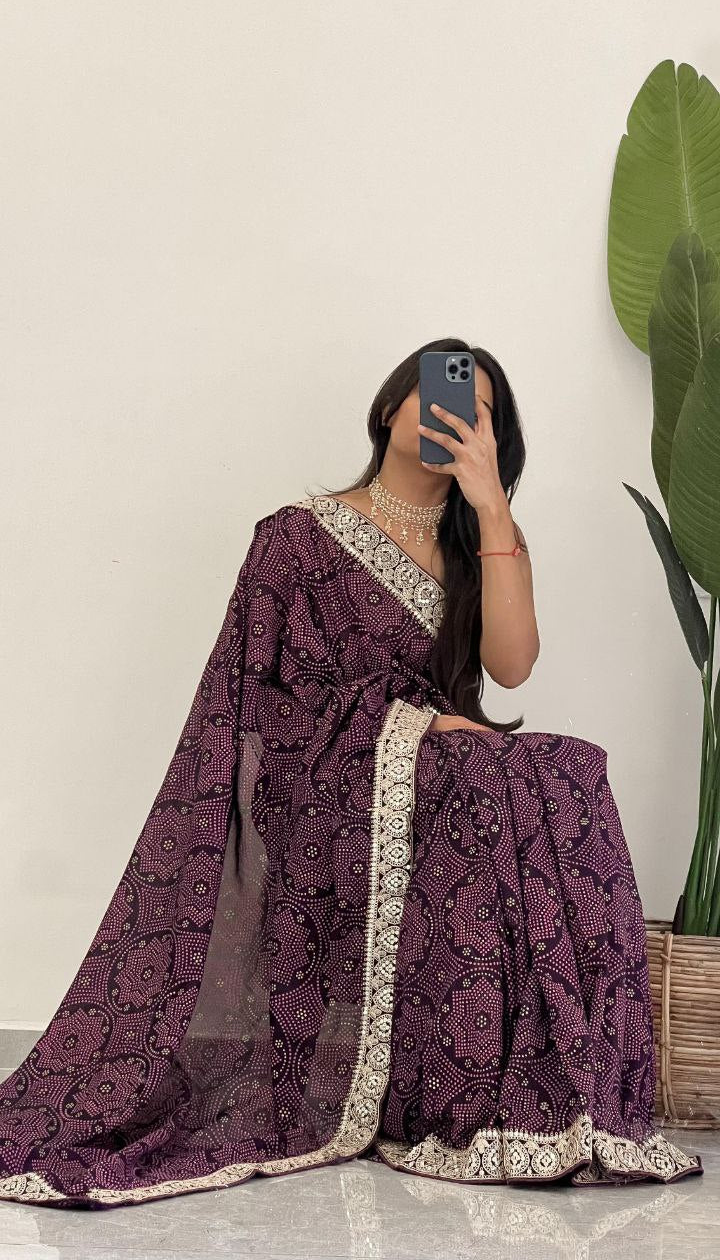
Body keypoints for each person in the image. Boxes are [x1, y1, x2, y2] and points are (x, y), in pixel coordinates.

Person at [0, 338, 703, 1208]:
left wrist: (492, 510)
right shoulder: (295, 538)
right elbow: (266, 708)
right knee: (484, 776)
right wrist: (415, 726)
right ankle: (464, 1090)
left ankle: (555, 1091)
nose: (453, 416)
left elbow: (512, 667)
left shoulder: (482, 542)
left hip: (442, 769)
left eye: (478, 412)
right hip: (327, 789)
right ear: (388, 409)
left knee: (567, 768)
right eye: (437, 396)